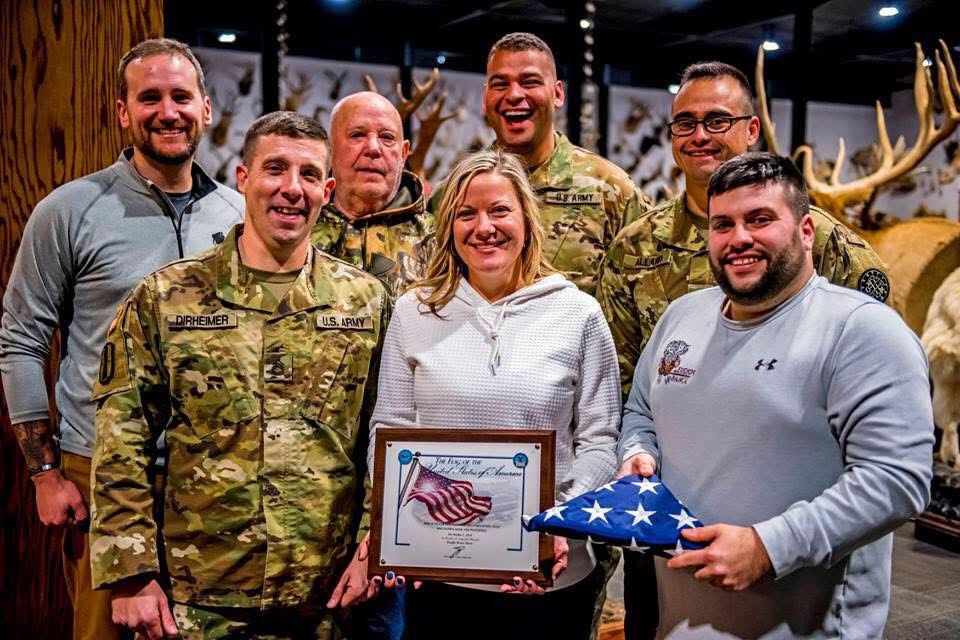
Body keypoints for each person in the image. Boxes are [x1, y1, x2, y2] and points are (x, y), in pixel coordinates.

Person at [88, 111, 388, 640]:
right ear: (243, 178)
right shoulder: (167, 297)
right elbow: (122, 439)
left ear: (327, 191)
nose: (291, 188)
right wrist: (131, 573)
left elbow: (383, 437)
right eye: (275, 169)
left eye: (309, 174)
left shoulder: (366, 302)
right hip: (200, 599)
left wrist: (375, 546)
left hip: (327, 599)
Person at [617, 152, 933, 639]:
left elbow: (897, 480)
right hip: (679, 623)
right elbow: (642, 411)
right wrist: (638, 452)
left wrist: (770, 547)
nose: (739, 238)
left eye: (760, 219)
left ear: (806, 231)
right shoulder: (681, 316)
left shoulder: (861, 330)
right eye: (723, 224)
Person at [0, 38, 243, 640]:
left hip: (217, 477)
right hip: (101, 473)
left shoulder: (241, 216)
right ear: (122, 112)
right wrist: (44, 473)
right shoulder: (69, 211)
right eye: (149, 97)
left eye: (181, 96)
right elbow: (21, 339)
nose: (168, 111)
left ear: (205, 108)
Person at [358, 149, 621, 638]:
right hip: (439, 579)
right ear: (448, 226)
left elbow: (601, 440)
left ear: (526, 218)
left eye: (500, 210)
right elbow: (389, 428)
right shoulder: (414, 312)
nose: (484, 227)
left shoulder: (578, 313)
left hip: (551, 577)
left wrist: (560, 523)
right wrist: (399, 526)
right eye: (466, 213)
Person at [599, 61, 891, 394]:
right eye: (685, 123)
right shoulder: (635, 246)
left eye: (717, 121)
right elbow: (620, 382)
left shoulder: (816, 236)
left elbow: (876, 359)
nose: (699, 136)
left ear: (752, 130)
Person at [432, 32, 650, 296]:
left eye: (530, 82)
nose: (514, 94)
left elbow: (644, 291)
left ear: (557, 94)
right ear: (485, 97)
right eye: (500, 84)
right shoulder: (452, 195)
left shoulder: (611, 190)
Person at [313, 91, 433, 296]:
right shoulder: (298, 232)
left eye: (387, 137)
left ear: (403, 154)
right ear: (330, 149)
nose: (373, 148)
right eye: (357, 135)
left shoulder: (441, 240)